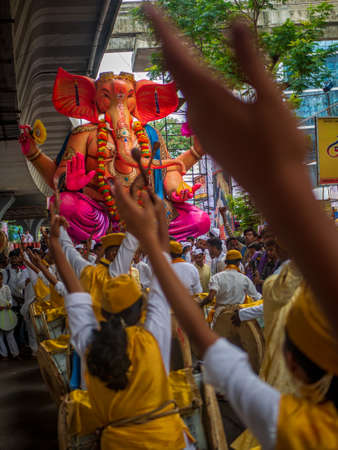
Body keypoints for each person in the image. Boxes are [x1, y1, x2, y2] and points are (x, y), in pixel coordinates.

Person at [49, 209, 194, 450]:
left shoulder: (90, 342)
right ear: (141, 309)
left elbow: (74, 289)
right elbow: (162, 276)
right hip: (169, 440)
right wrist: (155, 223)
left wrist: (56, 239)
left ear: (104, 313)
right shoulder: (152, 337)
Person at [58, 224, 138, 321]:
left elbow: (68, 249)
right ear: (110, 254)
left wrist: (59, 226)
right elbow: (130, 242)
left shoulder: (87, 269)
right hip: (110, 330)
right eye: (115, 251)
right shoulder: (116, 273)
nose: (117, 254)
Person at [201, 249, 261, 321]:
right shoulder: (245, 279)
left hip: (220, 315)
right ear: (239, 263)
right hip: (237, 316)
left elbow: (210, 297)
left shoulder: (216, 277)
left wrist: (200, 305)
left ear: (226, 262)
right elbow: (256, 297)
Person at [0, 271, 20, 360]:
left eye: (0, 279)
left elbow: (10, 299)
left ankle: (15, 354)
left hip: (7, 313)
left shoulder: (6, 287)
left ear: (2, 279)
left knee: (10, 334)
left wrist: (9, 304)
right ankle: (4, 354)